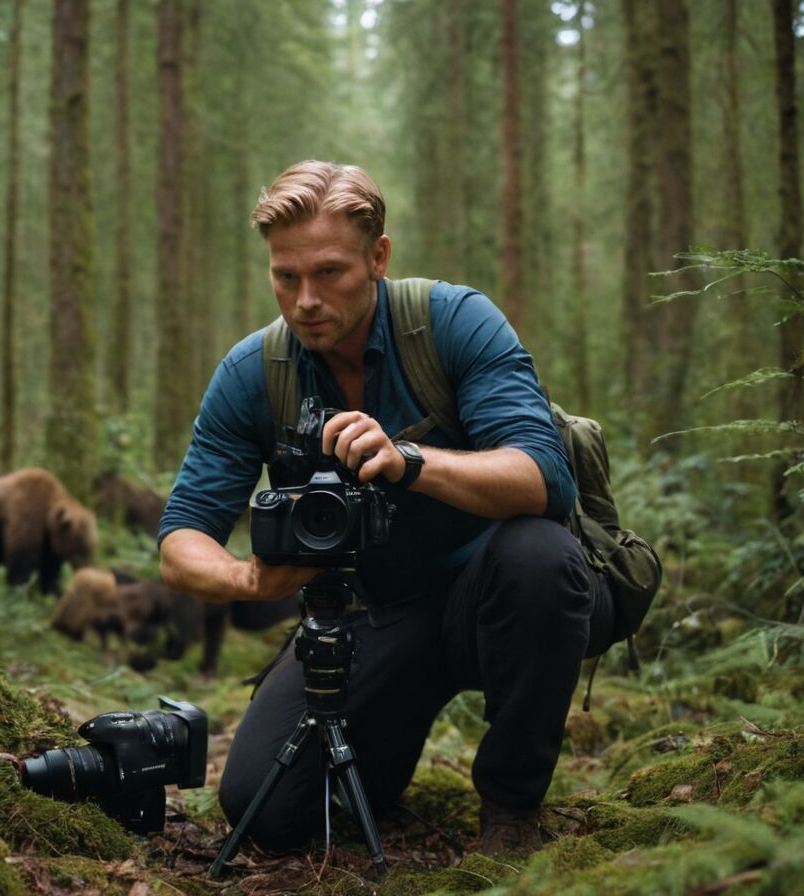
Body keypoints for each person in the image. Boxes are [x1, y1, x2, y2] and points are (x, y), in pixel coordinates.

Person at [158, 160, 592, 856]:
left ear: (378, 257)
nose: (305, 300)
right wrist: (248, 578)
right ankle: (382, 761)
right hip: (366, 619)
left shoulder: (453, 323)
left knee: (541, 557)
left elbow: (544, 475)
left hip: (489, 599)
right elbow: (181, 539)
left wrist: (409, 460)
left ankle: (512, 809)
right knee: (263, 810)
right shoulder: (253, 374)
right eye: (285, 276)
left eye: (329, 272)